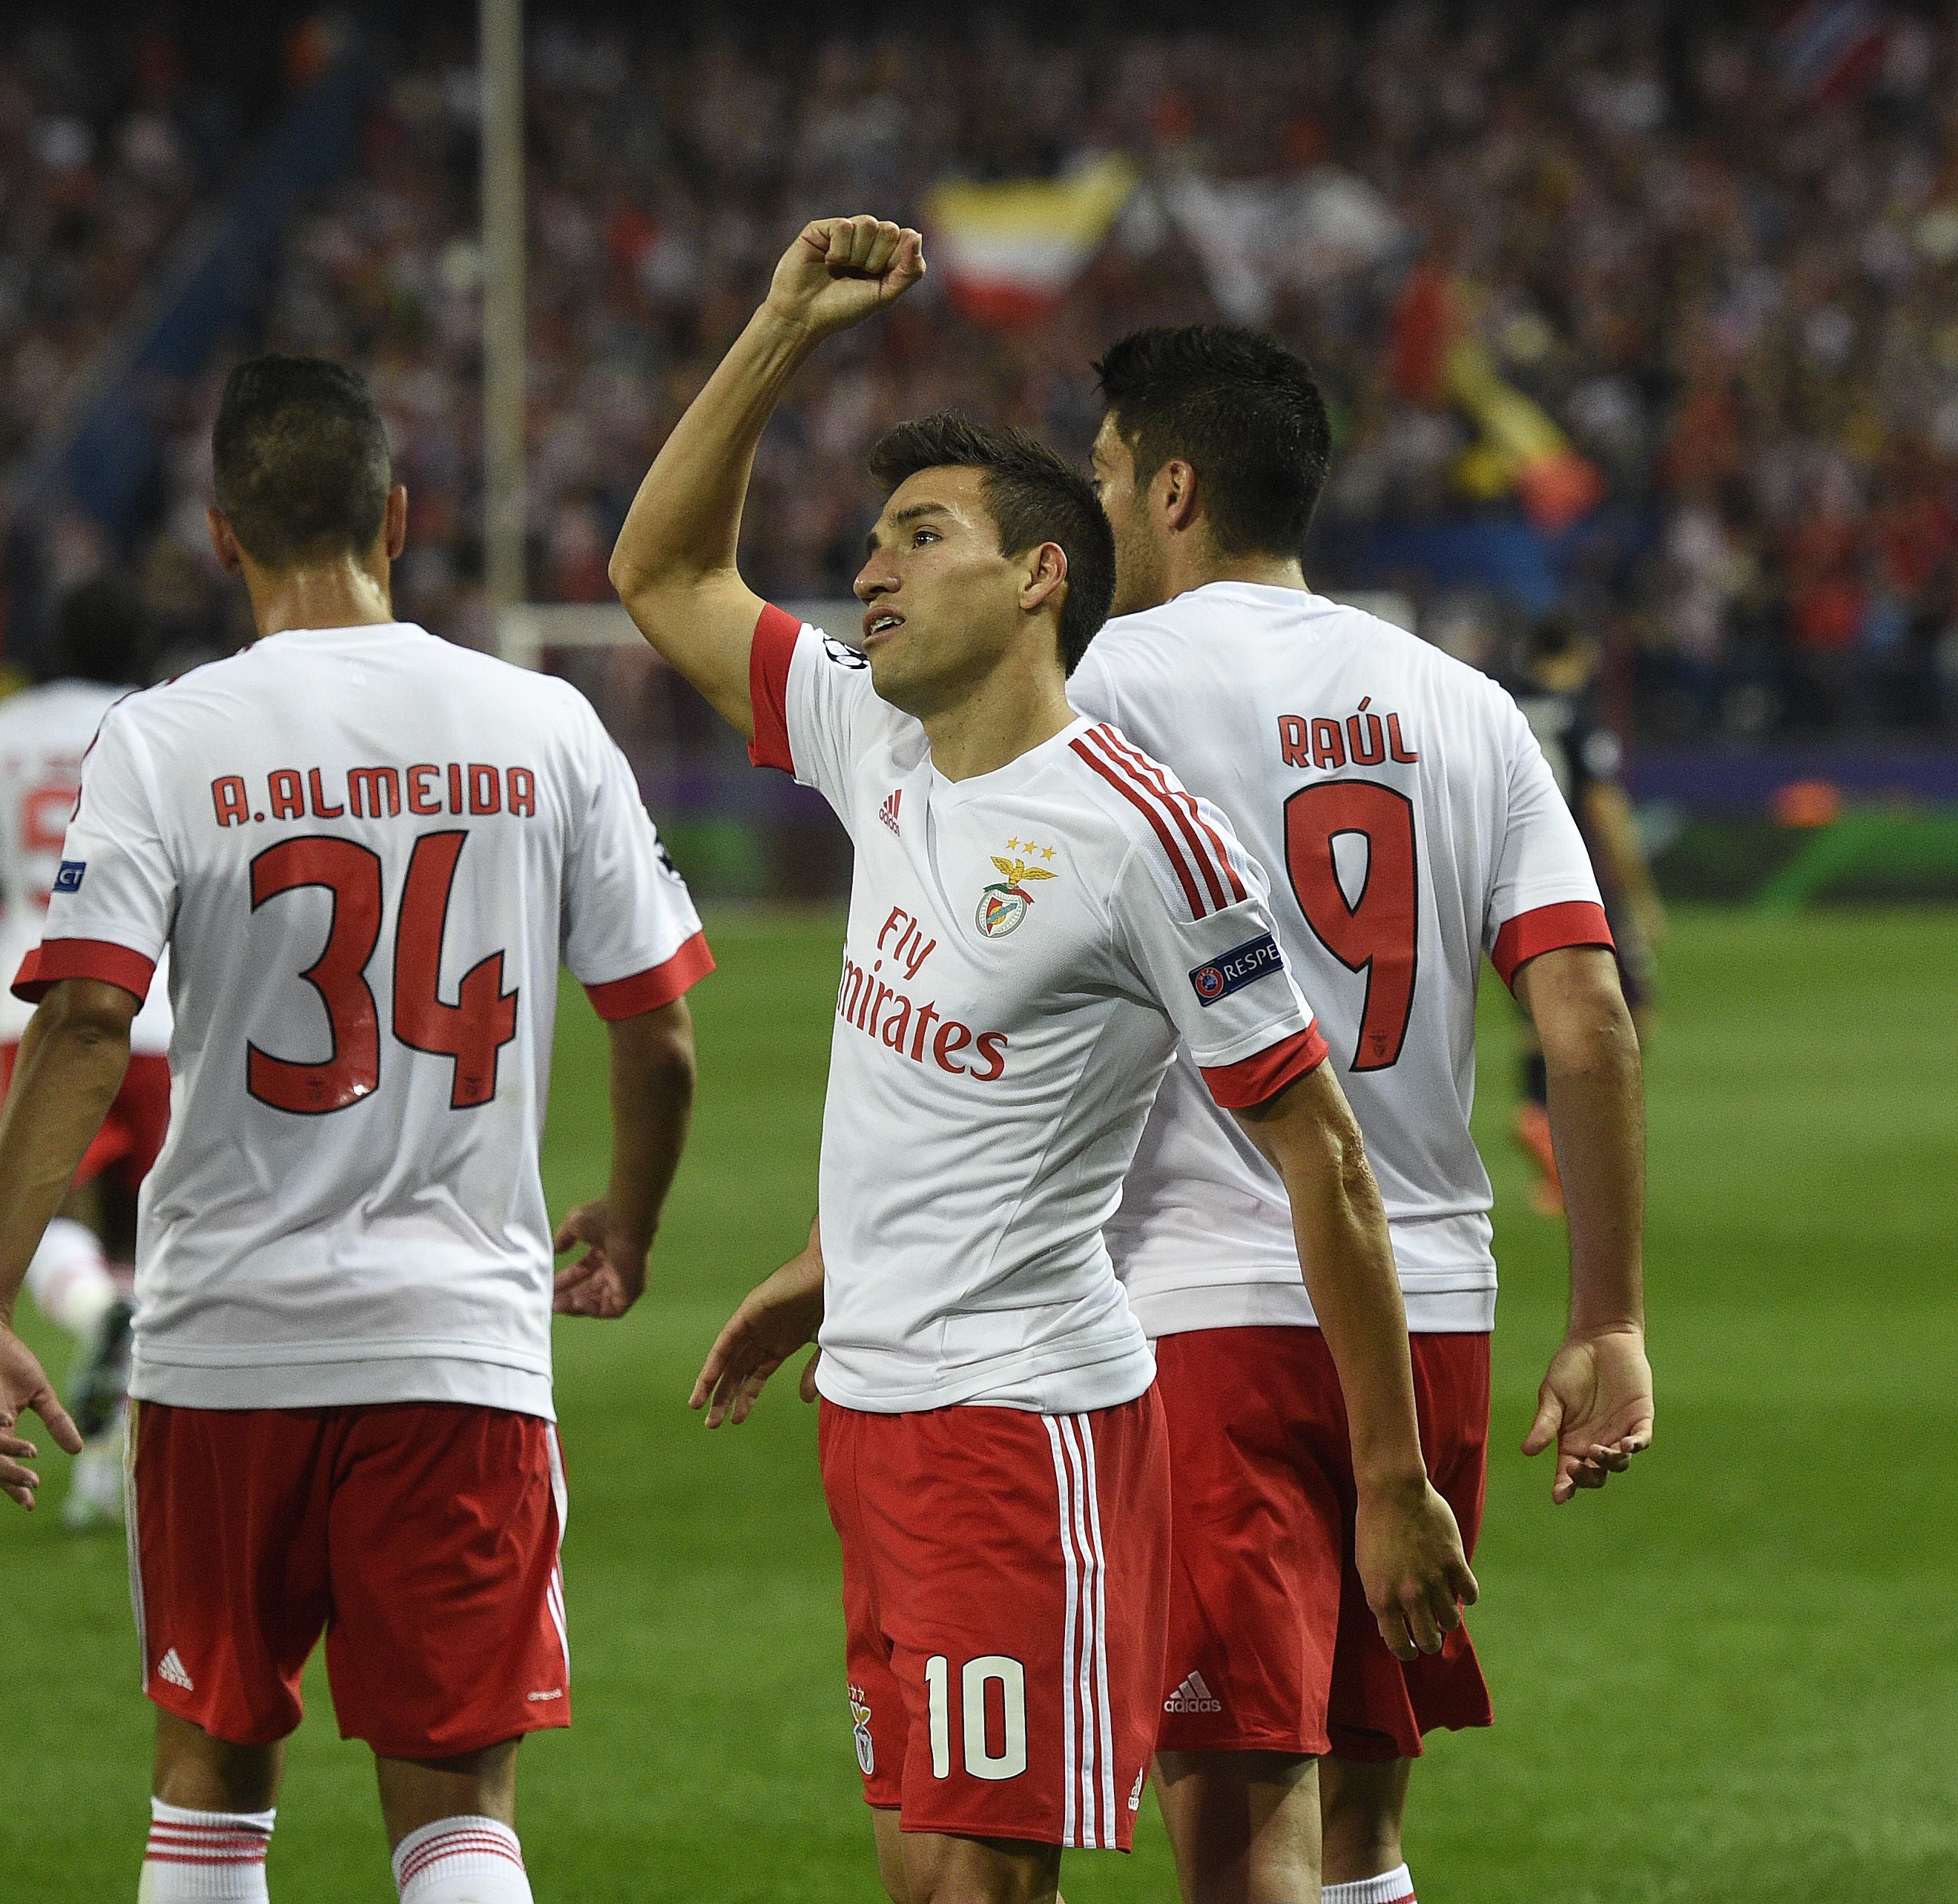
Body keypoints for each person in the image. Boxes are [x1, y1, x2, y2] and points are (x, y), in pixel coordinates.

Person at [615, 217, 1474, 1904]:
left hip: (1016, 1423)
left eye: (916, 536)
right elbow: (661, 576)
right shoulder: (877, 742)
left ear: (1035, 576)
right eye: (866, 539)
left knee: (968, 1888)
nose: (868, 569)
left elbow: (1319, 1150)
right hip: (872, 1407)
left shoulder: (1141, 836)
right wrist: (778, 321)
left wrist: (1385, 1480)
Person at [0, 356, 709, 1904]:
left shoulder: (162, 738)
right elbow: (660, 1027)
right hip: (457, 1342)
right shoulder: (543, 722)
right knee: (456, 1801)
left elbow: (86, 1023)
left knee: (214, 1774)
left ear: (222, 534)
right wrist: (625, 1222)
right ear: (401, 516)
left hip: (225, 1337)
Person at [1072, 325, 1655, 1904]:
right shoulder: (1463, 703)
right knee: (1364, 1832)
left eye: (1110, 474)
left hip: (1208, 1305)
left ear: (1174, 485)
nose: (1098, 505)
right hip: (1435, 1305)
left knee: (1236, 1824)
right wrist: (1606, 1311)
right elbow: (1587, 1016)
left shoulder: (1093, 681)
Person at [0, 591, 176, 1528]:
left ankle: (94, 1326)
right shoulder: (163, 722)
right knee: (143, 1246)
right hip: (159, 1003)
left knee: (51, 1225)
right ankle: (113, 1466)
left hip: (33, 1006)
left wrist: (27, 894)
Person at [1508, 617, 1664, 1215]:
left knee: (1541, 1014)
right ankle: (1568, 1137)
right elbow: (1603, 805)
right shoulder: (1577, 715)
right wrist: (1639, 892)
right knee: (1633, 1014)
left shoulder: (1501, 705)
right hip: (1579, 879)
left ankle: (1536, 1116)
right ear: (1572, 652)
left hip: (1514, 877)